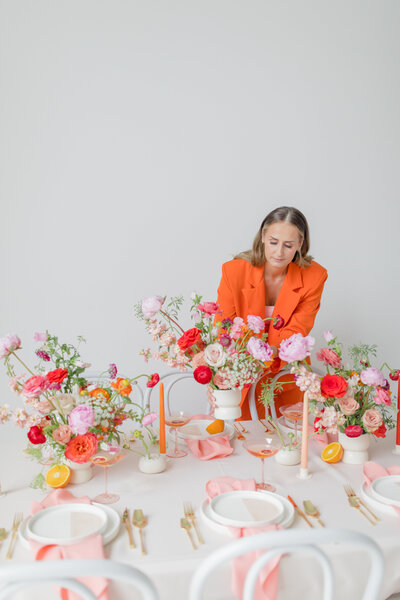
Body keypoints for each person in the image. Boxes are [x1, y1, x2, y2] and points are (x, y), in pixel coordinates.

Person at [216, 206, 327, 420]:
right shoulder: (234, 271)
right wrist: (243, 365)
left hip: (287, 374)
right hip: (240, 374)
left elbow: (297, 330)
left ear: (300, 245)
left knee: (289, 441)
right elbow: (224, 327)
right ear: (263, 237)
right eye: (274, 242)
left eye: (288, 245)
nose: (279, 252)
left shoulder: (315, 276)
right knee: (242, 440)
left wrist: (267, 355)